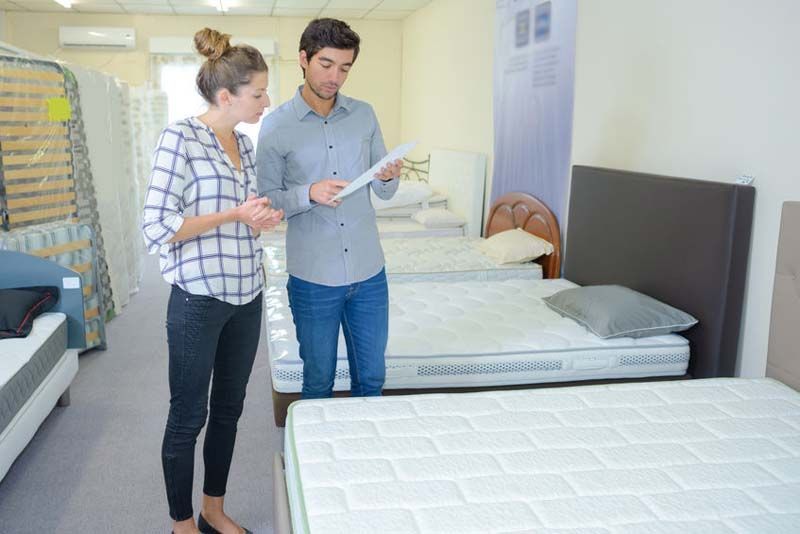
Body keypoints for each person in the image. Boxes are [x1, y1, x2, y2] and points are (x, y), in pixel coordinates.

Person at [142, 28, 282, 534]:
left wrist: (260, 218)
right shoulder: (180, 139)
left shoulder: (244, 142)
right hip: (198, 298)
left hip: (247, 294)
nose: (266, 102)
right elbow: (157, 226)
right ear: (226, 96)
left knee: (228, 411)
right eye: (258, 93)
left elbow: (247, 216)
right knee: (187, 416)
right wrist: (233, 215)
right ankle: (181, 525)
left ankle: (213, 510)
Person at [257, 18, 402, 400]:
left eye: (344, 68)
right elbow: (268, 200)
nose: (334, 77)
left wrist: (388, 177)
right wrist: (309, 193)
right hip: (313, 276)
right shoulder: (275, 126)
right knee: (318, 381)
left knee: (371, 379)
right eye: (326, 64)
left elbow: (384, 190)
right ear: (303, 59)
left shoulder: (364, 115)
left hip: (369, 271)